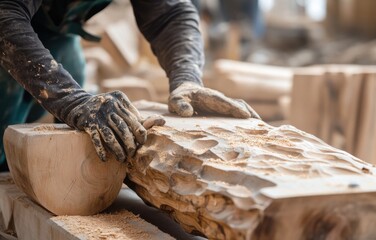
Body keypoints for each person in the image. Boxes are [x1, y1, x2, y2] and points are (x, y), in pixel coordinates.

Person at [0, 0, 259, 171]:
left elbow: (171, 13)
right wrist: (73, 101)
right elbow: (5, 13)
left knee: (72, 69)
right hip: (9, 23)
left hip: (54, 31)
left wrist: (187, 78)